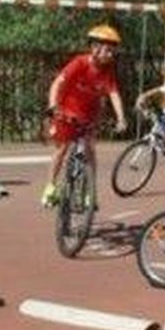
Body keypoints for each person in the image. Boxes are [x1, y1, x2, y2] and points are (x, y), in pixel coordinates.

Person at [42, 24, 128, 208]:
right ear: (95, 48)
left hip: (89, 115)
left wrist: (121, 118)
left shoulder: (108, 70)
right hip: (66, 111)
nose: (111, 54)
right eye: (107, 50)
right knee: (62, 149)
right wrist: (52, 105)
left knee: (90, 150)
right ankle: (50, 186)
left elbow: (114, 94)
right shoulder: (79, 63)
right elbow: (57, 83)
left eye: (113, 51)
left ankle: (90, 192)